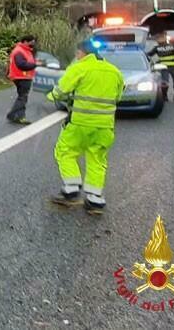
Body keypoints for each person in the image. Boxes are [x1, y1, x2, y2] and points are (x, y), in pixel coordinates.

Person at [47, 40, 124, 215]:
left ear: (82, 53)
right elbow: (119, 96)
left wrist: (51, 96)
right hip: (104, 126)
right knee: (97, 159)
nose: (77, 56)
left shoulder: (80, 68)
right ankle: (95, 199)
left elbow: (61, 90)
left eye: (78, 53)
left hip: (80, 123)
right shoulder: (114, 71)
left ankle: (71, 190)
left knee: (65, 151)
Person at [6, 35, 40, 124]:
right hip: (22, 77)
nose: (33, 44)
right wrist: (35, 64)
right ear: (25, 41)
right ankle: (13, 114)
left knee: (22, 96)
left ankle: (20, 116)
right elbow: (22, 65)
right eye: (31, 42)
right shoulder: (19, 51)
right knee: (23, 97)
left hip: (24, 76)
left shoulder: (26, 50)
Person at [146, 32, 174, 102]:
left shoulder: (158, 47)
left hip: (172, 66)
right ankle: (167, 97)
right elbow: (148, 55)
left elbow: (148, 55)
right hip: (168, 67)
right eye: (159, 38)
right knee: (166, 82)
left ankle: (173, 96)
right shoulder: (161, 47)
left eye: (161, 37)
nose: (160, 39)